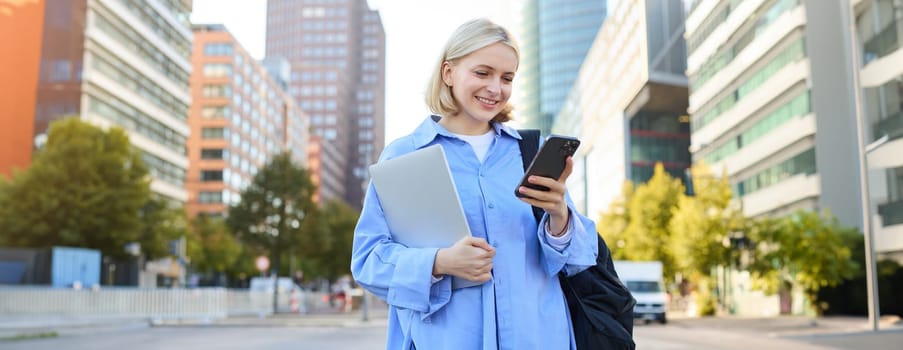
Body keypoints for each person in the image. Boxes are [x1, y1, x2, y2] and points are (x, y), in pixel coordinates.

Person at [351, 18, 598, 349]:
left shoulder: (530, 154)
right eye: (483, 73)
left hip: (539, 338)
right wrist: (439, 262)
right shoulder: (404, 155)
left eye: (507, 78)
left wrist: (560, 216)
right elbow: (367, 261)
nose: (496, 88)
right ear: (448, 73)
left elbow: (577, 261)